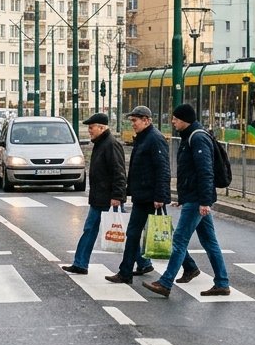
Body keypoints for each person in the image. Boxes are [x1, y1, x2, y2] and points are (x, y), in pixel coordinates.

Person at [142, 104, 232, 298]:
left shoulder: (197, 138)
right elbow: (191, 172)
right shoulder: (191, 137)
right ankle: (222, 282)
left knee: (179, 240)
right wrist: (184, 198)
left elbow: (205, 171)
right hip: (194, 197)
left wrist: (205, 202)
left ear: (184, 120)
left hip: (197, 199)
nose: (172, 122)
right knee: (209, 241)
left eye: (175, 119)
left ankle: (165, 282)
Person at [104, 106, 200, 284]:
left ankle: (125, 272)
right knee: (155, 234)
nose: (132, 124)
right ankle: (190, 266)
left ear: (147, 120)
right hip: (143, 194)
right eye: (131, 120)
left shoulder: (154, 139)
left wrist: (160, 196)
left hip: (150, 195)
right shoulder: (144, 138)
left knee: (139, 233)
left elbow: (163, 169)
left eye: (135, 120)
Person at [61, 113, 126, 275]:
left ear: (101, 128)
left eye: (91, 127)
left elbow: (119, 172)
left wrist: (117, 196)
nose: (89, 130)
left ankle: (143, 261)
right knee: (91, 229)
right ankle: (80, 263)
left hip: (109, 198)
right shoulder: (101, 143)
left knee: (123, 232)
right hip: (100, 197)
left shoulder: (110, 144)